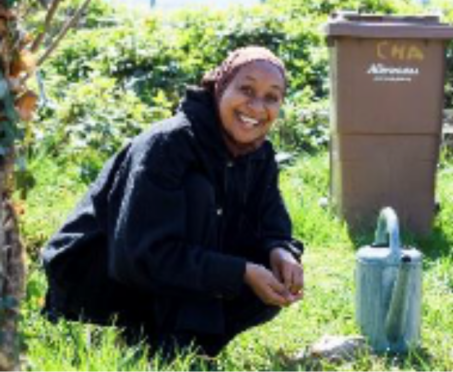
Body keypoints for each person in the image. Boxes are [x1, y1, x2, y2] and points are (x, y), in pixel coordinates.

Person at [41, 46, 305, 358]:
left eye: (271, 97)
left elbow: (272, 221)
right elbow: (140, 255)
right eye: (246, 89)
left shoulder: (259, 154)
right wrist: (241, 272)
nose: (257, 106)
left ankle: (184, 343)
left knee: (266, 276)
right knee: (199, 192)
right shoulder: (168, 144)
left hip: (158, 277)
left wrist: (281, 252)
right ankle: (156, 337)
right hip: (96, 277)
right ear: (220, 87)